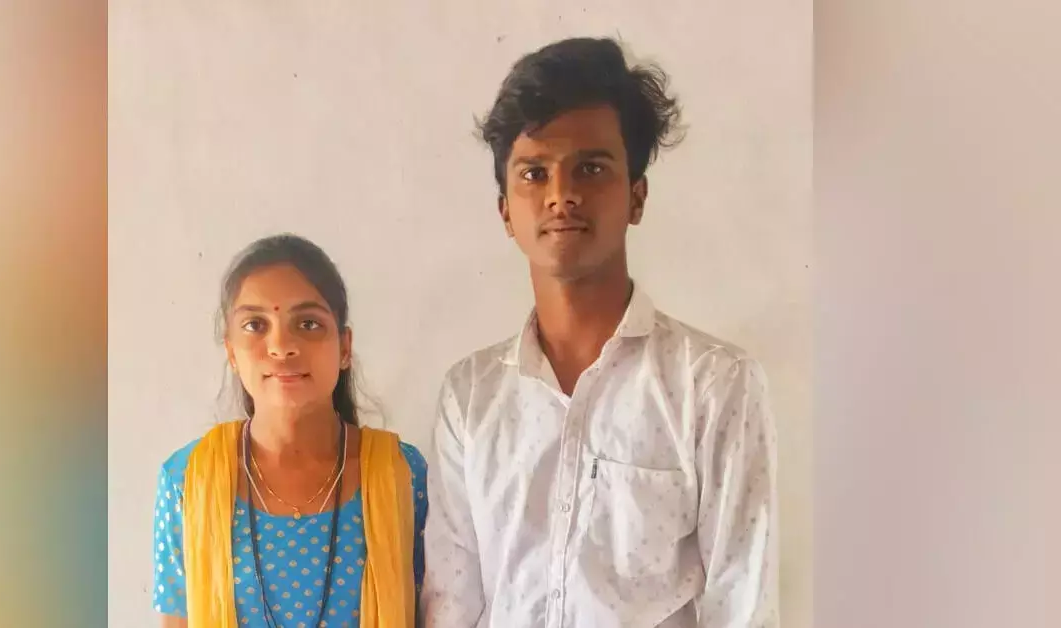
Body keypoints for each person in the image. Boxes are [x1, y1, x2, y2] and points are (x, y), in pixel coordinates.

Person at [421, 37, 778, 627]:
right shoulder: (470, 397)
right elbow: (450, 604)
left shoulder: (715, 386)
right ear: (506, 210)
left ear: (637, 196)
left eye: (591, 168)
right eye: (534, 173)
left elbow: (743, 607)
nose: (561, 194)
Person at [153, 234, 428, 628]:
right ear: (231, 352)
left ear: (345, 347)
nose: (281, 346)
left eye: (308, 323)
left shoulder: (402, 475)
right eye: (255, 325)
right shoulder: (188, 480)